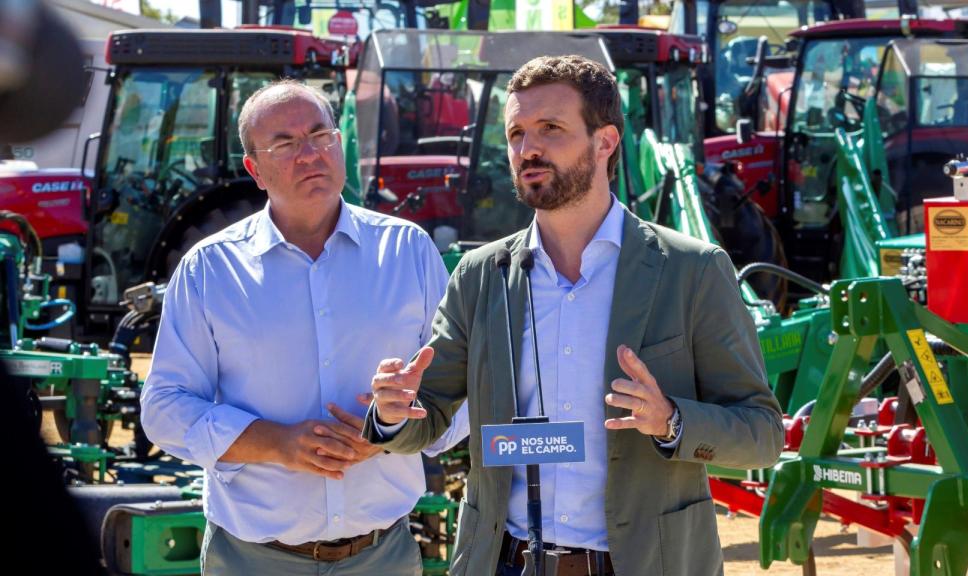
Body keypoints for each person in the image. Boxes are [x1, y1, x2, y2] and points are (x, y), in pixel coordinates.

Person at [366, 55, 784, 576]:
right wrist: (391, 411)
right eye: (516, 132)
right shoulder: (479, 276)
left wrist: (671, 421)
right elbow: (427, 418)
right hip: (505, 562)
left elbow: (764, 434)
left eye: (551, 129)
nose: (527, 148)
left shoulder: (690, 271)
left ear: (605, 142)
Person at [141, 79, 466, 575]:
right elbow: (164, 409)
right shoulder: (210, 269)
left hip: (382, 556)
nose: (310, 154)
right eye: (286, 143)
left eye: (320, 135)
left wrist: (391, 430)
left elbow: (457, 395)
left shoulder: (409, 252)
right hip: (252, 559)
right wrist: (277, 443)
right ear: (255, 169)